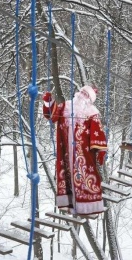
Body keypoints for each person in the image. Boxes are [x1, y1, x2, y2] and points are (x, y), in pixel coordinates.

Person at [42, 85, 107, 215]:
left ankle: (88, 207)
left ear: (90, 99)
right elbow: (52, 116)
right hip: (65, 151)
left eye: (86, 95)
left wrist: (101, 151)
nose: (82, 96)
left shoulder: (92, 112)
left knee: (85, 177)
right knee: (66, 177)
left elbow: (98, 133)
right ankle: (69, 204)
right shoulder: (66, 106)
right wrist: (48, 102)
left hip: (84, 154)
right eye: (82, 93)